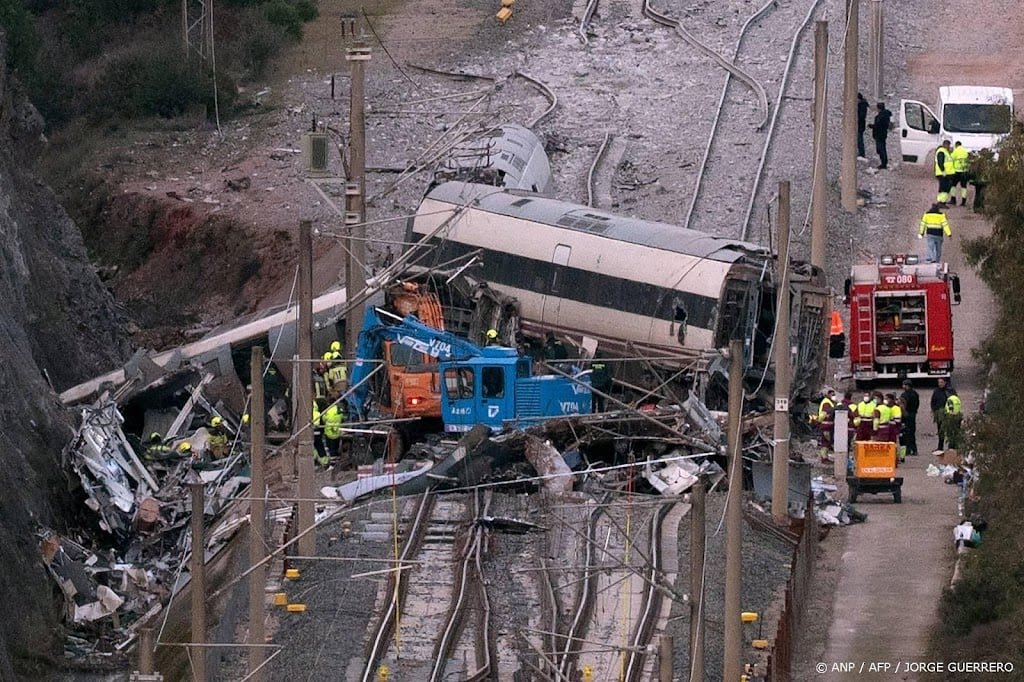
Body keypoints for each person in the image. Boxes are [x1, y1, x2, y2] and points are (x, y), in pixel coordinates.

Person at [812, 387, 837, 462]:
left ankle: (825, 457)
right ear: (828, 395)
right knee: (826, 443)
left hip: (827, 425)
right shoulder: (827, 403)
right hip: (826, 426)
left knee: (826, 442)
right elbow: (824, 414)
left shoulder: (829, 402)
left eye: (834, 394)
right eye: (832, 394)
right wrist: (819, 421)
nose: (833, 396)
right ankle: (824, 458)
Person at [868, 102, 892, 169]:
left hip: (879, 134)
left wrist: (872, 126)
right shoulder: (886, 115)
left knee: (880, 149)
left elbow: (878, 126)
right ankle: (884, 162)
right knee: (882, 148)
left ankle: (883, 164)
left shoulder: (880, 117)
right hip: (883, 134)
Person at [900, 380, 920, 456]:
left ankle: (908, 450)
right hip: (913, 414)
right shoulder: (915, 394)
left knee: (906, 433)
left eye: (904, 385)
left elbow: (903, 406)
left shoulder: (904, 395)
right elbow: (917, 404)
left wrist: (904, 413)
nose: (903, 386)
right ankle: (914, 450)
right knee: (912, 433)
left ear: (907, 386)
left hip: (906, 414)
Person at [931, 377, 952, 452]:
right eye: (939, 382)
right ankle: (940, 447)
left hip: (948, 414)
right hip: (939, 414)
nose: (940, 384)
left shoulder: (949, 391)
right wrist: (934, 410)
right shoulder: (936, 391)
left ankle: (951, 447)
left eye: (941, 382)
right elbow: (933, 401)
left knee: (949, 431)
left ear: (945, 382)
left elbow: (954, 400)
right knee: (940, 431)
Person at [949, 141, 971, 206]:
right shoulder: (965, 151)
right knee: (964, 186)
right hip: (964, 171)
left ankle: (953, 199)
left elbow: (951, 158)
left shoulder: (956, 151)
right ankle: (963, 201)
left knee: (953, 185)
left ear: (956, 145)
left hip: (956, 171)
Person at [934, 139, 955, 204]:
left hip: (945, 173)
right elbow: (940, 162)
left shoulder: (945, 152)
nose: (949, 146)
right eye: (948, 145)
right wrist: (943, 171)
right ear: (944, 145)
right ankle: (942, 202)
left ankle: (940, 201)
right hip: (943, 173)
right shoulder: (941, 152)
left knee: (943, 188)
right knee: (945, 188)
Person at [312, 398, 330, 467]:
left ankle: (315, 459)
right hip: (318, 432)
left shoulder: (312, 412)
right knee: (319, 446)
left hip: (313, 432)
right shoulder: (318, 413)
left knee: (314, 446)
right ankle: (324, 461)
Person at [857, 93, 869, 159]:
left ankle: (861, 153)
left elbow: (861, 116)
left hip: (860, 125)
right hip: (860, 124)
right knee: (859, 139)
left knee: (860, 139)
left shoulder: (862, 106)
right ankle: (860, 152)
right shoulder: (862, 105)